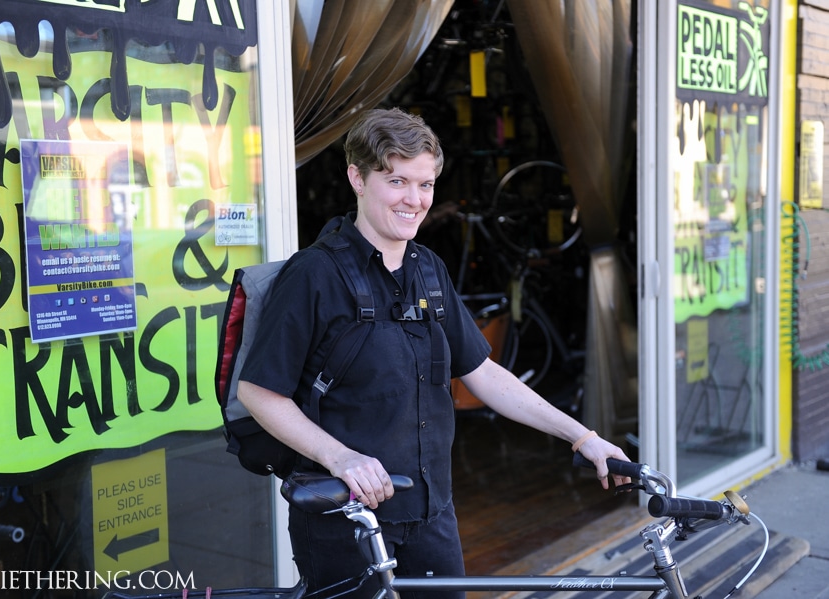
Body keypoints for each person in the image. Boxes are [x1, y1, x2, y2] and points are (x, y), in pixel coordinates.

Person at [237, 107, 631, 599]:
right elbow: (257, 391)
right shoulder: (315, 275)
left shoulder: (428, 269)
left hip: (432, 514)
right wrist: (339, 456)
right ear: (356, 178)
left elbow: (483, 372)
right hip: (345, 518)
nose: (414, 200)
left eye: (425, 185)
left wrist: (583, 438)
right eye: (397, 180)